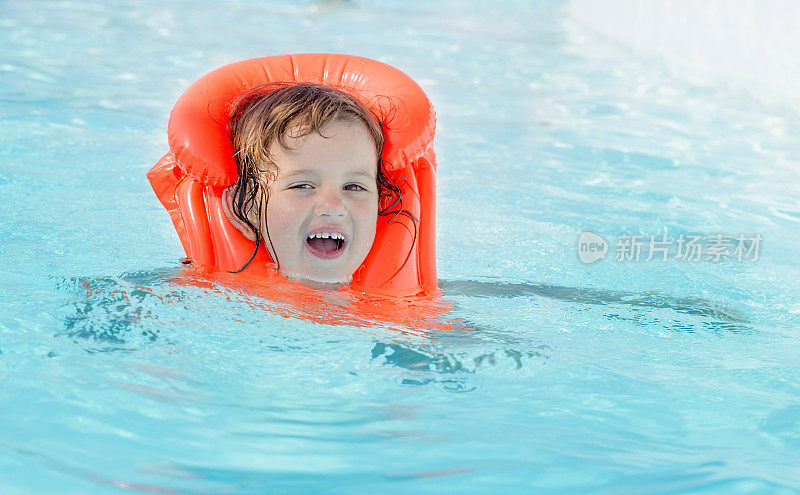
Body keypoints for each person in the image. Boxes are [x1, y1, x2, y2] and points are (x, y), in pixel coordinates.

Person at [220, 83, 405, 287]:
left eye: (354, 187)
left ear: (381, 202)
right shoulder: (200, 298)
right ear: (247, 208)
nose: (333, 208)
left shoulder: (422, 310)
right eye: (303, 186)